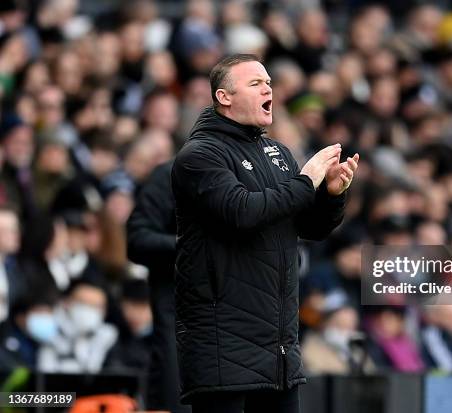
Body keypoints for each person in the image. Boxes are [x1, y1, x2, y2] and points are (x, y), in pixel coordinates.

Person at [171, 54, 359, 413]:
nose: (267, 88)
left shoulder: (278, 152)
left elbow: (309, 227)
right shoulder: (199, 155)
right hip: (222, 345)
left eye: (269, 82)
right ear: (224, 97)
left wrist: (331, 195)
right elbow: (243, 212)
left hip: (278, 347)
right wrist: (306, 181)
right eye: (255, 83)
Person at [126, 160, 190, 412]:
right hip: (180, 321)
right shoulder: (173, 173)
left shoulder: (259, 173)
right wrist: (193, 247)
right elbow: (137, 239)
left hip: (242, 322)